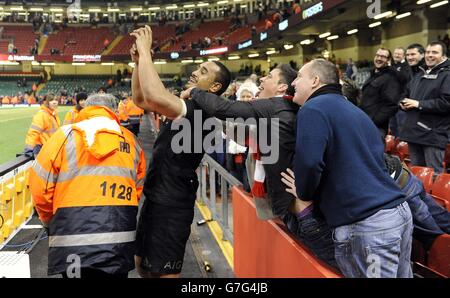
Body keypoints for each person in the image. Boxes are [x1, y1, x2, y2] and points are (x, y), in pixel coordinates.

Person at [289, 58, 413, 278]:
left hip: (370, 225)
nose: (293, 83)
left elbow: (309, 163)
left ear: (315, 81)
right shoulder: (355, 110)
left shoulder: (313, 108)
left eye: (299, 76)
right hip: (398, 213)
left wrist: (303, 192)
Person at [130, 25, 231, 278]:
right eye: (198, 68)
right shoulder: (189, 105)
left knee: (164, 274)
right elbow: (142, 100)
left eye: (204, 71)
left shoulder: (202, 110)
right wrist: (138, 63)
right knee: (142, 265)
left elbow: (153, 93)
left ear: (215, 87)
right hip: (156, 197)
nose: (196, 72)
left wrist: (146, 52)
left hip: (172, 204)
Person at [28, 93, 146, 278]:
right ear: (113, 111)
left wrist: (49, 221)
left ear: (85, 109)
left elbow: (39, 185)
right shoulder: (132, 142)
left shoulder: (64, 136)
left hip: (72, 242)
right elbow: (136, 191)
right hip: (119, 241)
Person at [400, 41, 450, 174]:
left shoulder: (447, 75)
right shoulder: (420, 73)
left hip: (433, 135)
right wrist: (402, 102)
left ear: (444, 56)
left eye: (434, 52)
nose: (430, 55)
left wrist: (419, 104)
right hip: (414, 132)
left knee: (433, 176)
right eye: (428, 52)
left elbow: (447, 103)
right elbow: (406, 92)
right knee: (417, 174)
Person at [360, 48, 402, 138]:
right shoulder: (374, 74)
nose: (379, 58)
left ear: (388, 60)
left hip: (376, 127)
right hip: (365, 122)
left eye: (383, 57)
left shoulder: (390, 77)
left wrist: (373, 121)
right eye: (377, 55)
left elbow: (391, 105)